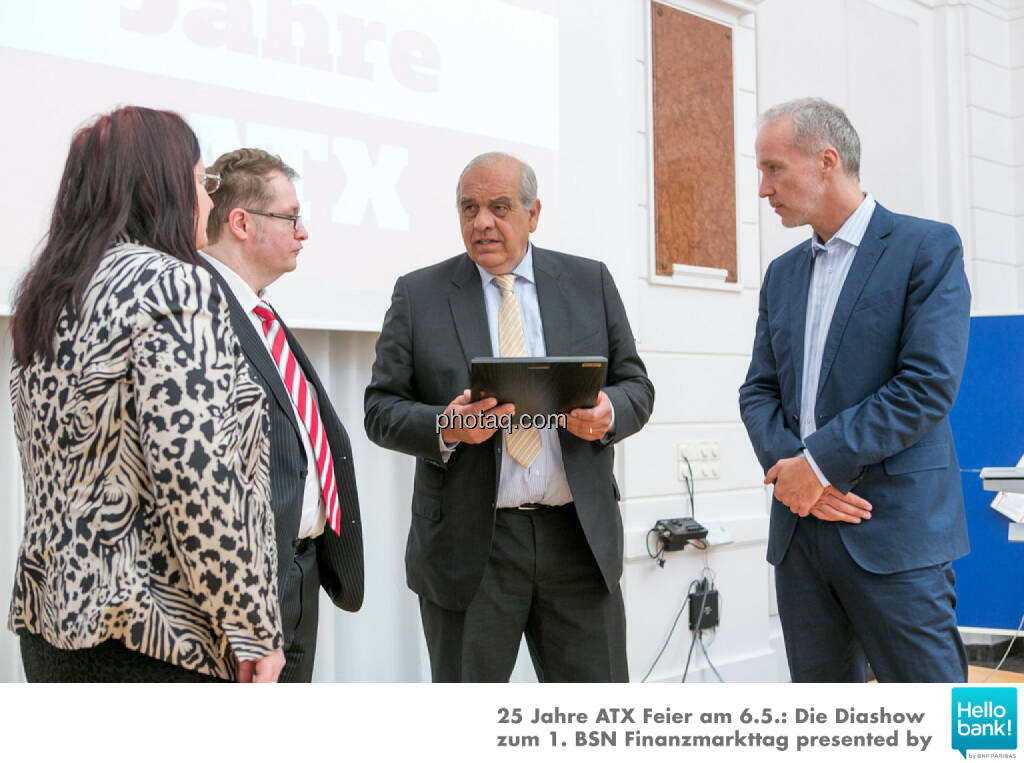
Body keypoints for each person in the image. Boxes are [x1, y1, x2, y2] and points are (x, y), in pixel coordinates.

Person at [8, 106, 284, 682]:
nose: (207, 203)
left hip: (53, 625)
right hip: (155, 632)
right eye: (200, 183)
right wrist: (250, 624)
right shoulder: (174, 283)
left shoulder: (50, 292)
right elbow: (197, 474)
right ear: (161, 187)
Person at [364, 152, 654, 682]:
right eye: (469, 208)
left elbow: (637, 386)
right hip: (470, 548)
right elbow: (380, 410)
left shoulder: (589, 282)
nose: (482, 222)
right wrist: (445, 427)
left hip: (579, 543)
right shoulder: (419, 294)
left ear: (533, 213)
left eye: (499, 207)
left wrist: (610, 412)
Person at [738, 98, 971, 682]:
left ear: (826, 160)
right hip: (802, 538)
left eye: (773, 169)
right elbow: (759, 391)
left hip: (894, 535)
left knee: (949, 724)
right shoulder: (782, 274)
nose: (763, 189)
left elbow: (926, 386)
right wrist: (794, 475)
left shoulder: (927, 248)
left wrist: (816, 466)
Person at [201, 148, 364, 682]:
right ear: (242, 222)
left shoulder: (261, 312)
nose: (304, 231)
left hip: (300, 570)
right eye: (290, 217)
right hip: (244, 586)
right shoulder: (198, 311)